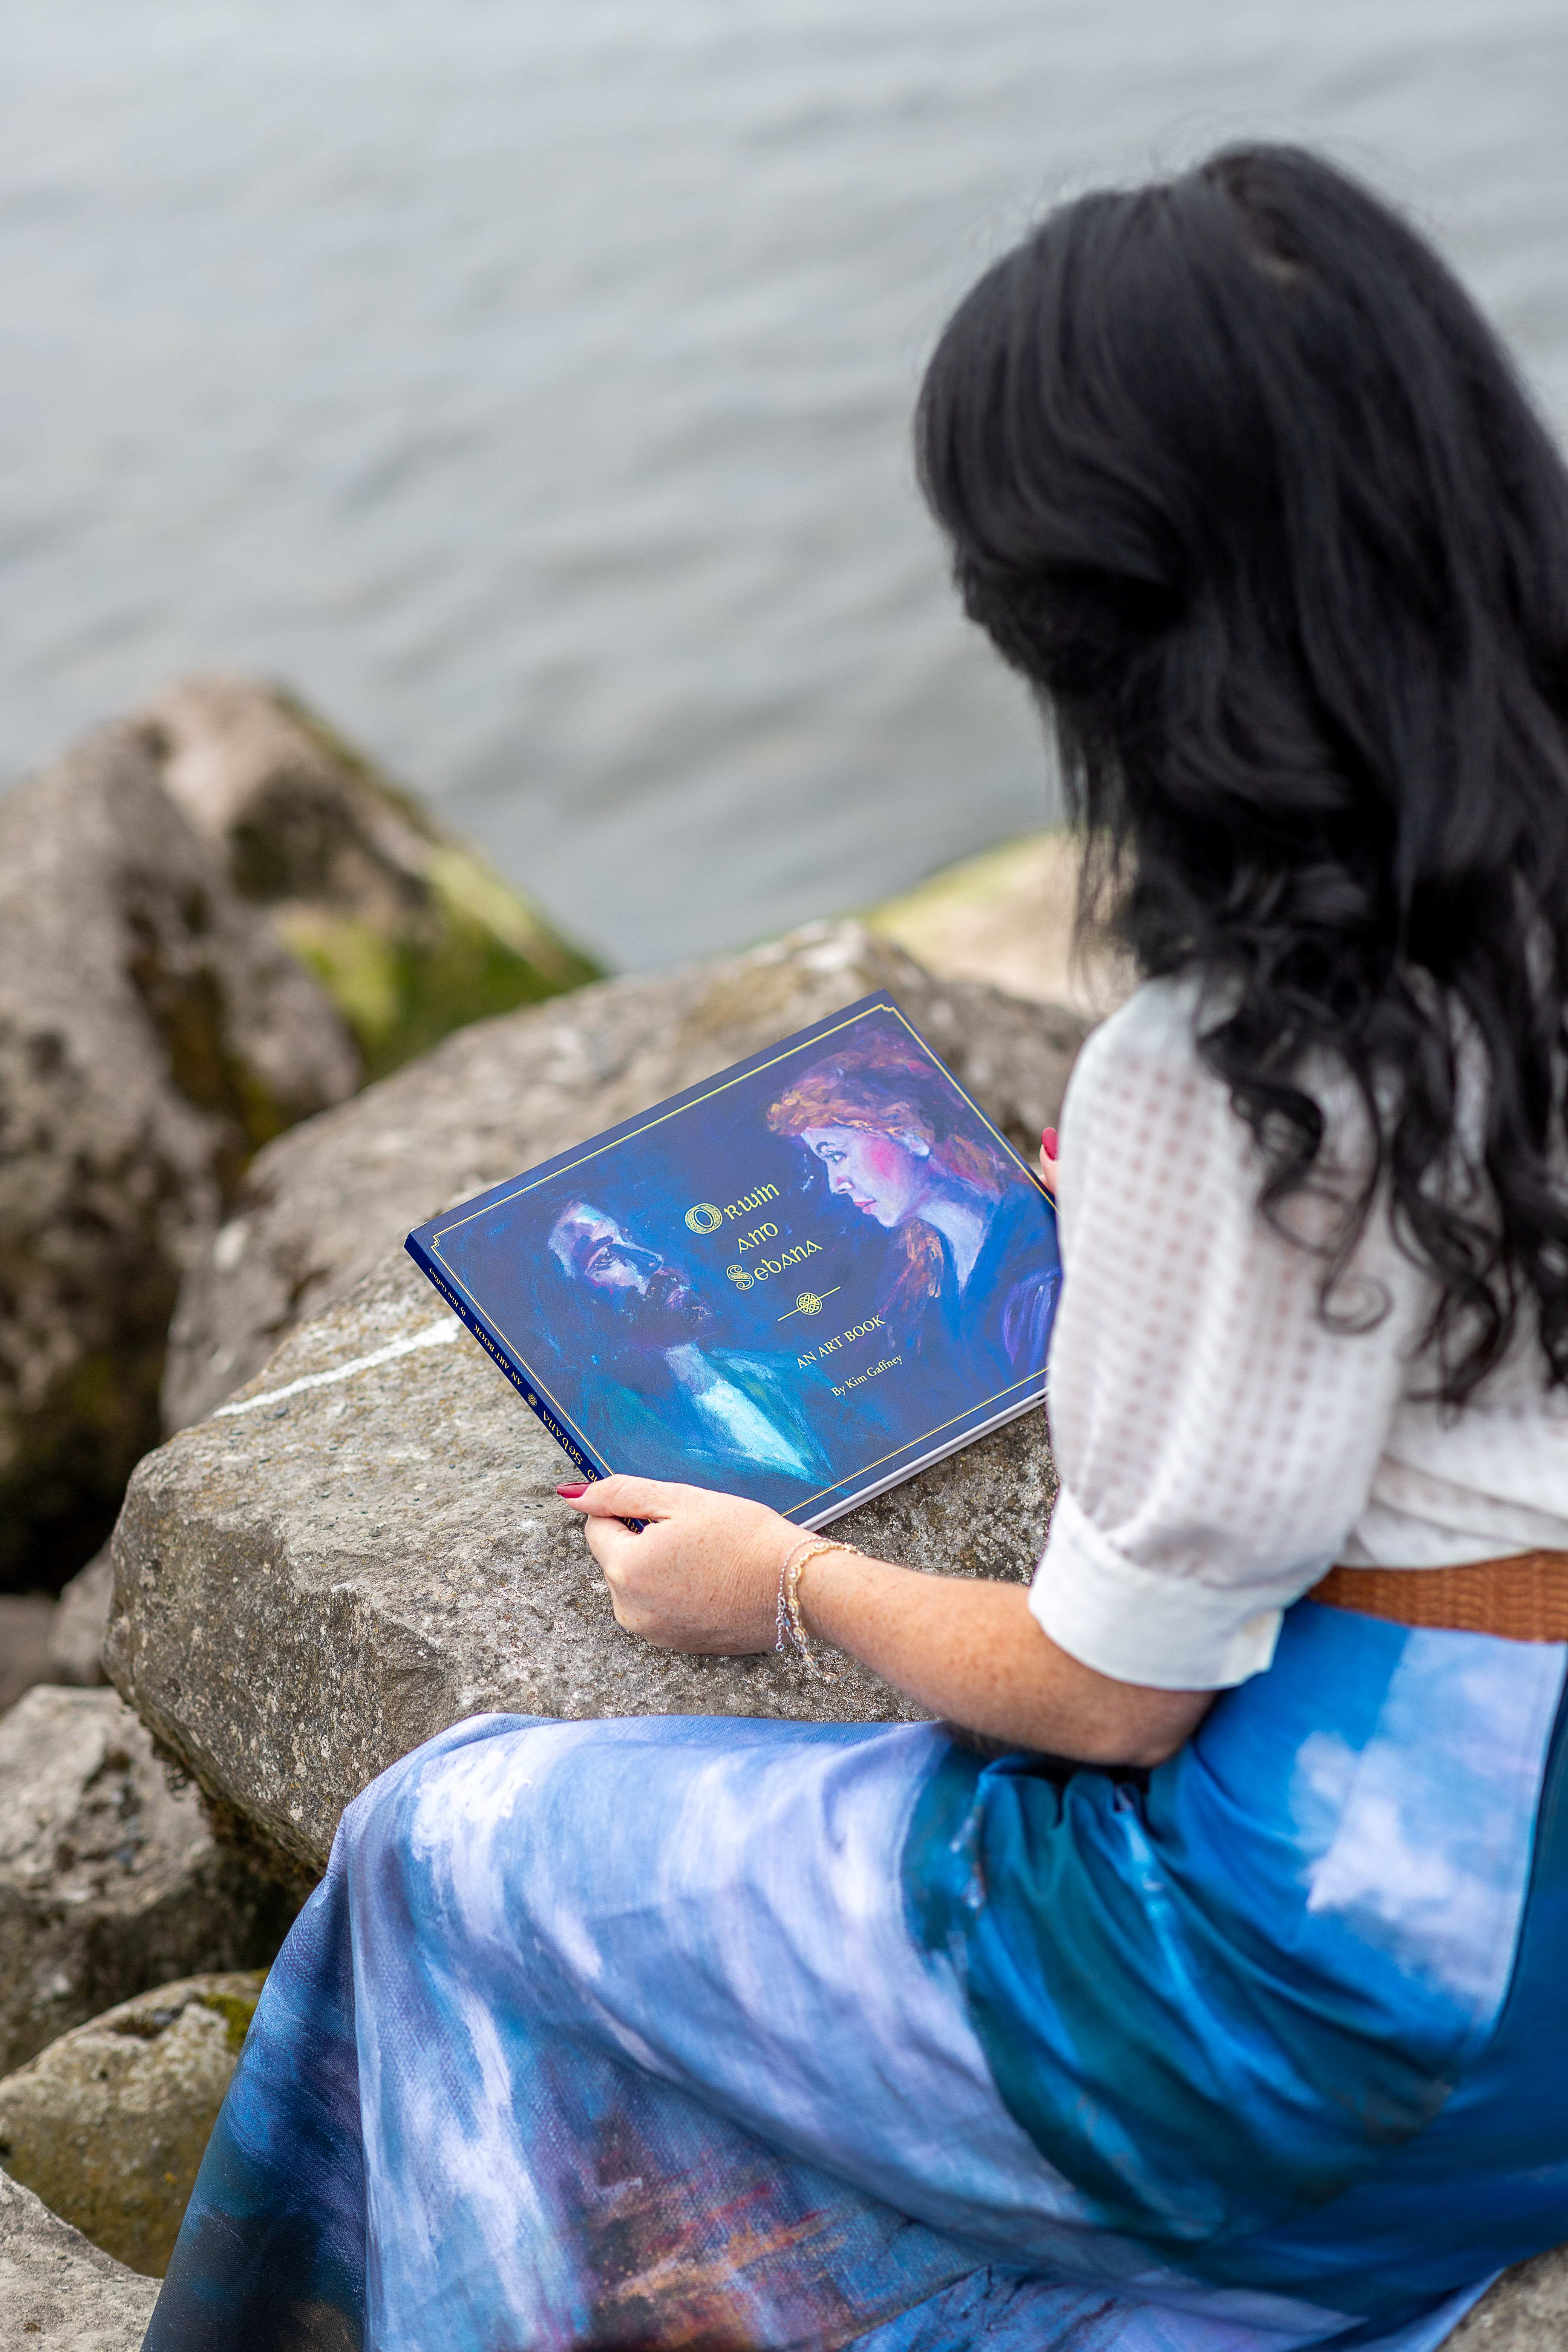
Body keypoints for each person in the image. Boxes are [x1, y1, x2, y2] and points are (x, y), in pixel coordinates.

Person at [142, 145, 1568, 2352]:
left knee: (454, 1846)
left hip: (1334, 2031)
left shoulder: (1240, 1073)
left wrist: (774, 1576)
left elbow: (1113, 1692)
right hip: (1541, 1954)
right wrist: (1193, 1265)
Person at [765, 1026, 1059, 1390]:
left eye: (837, 1155)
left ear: (909, 1132)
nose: (834, 1183)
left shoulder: (1036, 1264)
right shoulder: (931, 1265)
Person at [543, 1197, 830, 1492]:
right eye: (605, 1258)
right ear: (574, 1311)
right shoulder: (630, 1447)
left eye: (629, 1237)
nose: (651, 1259)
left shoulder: (782, 1375)